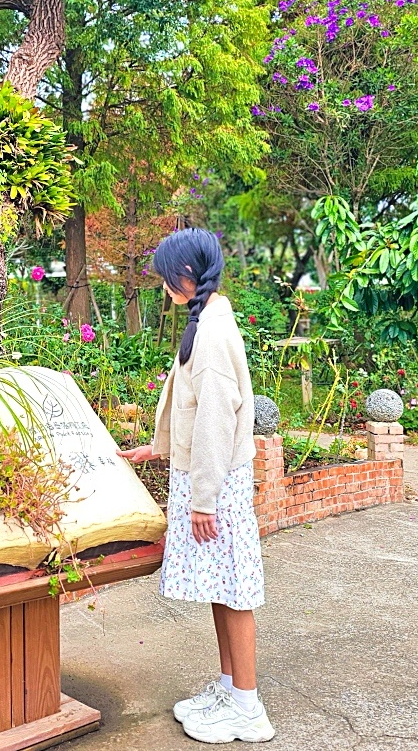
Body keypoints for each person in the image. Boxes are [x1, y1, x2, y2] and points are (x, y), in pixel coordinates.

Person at [117, 227, 274, 744]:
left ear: (186, 274)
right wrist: (157, 450)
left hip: (216, 485)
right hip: (206, 480)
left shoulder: (211, 331)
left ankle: (247, 710)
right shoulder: (206, 318)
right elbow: (189, 409)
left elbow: (214, 422)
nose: (164, 285)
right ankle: (231, 689)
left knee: (234, 592)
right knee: (220, 587)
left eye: (166, 276)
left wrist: (203, 501)